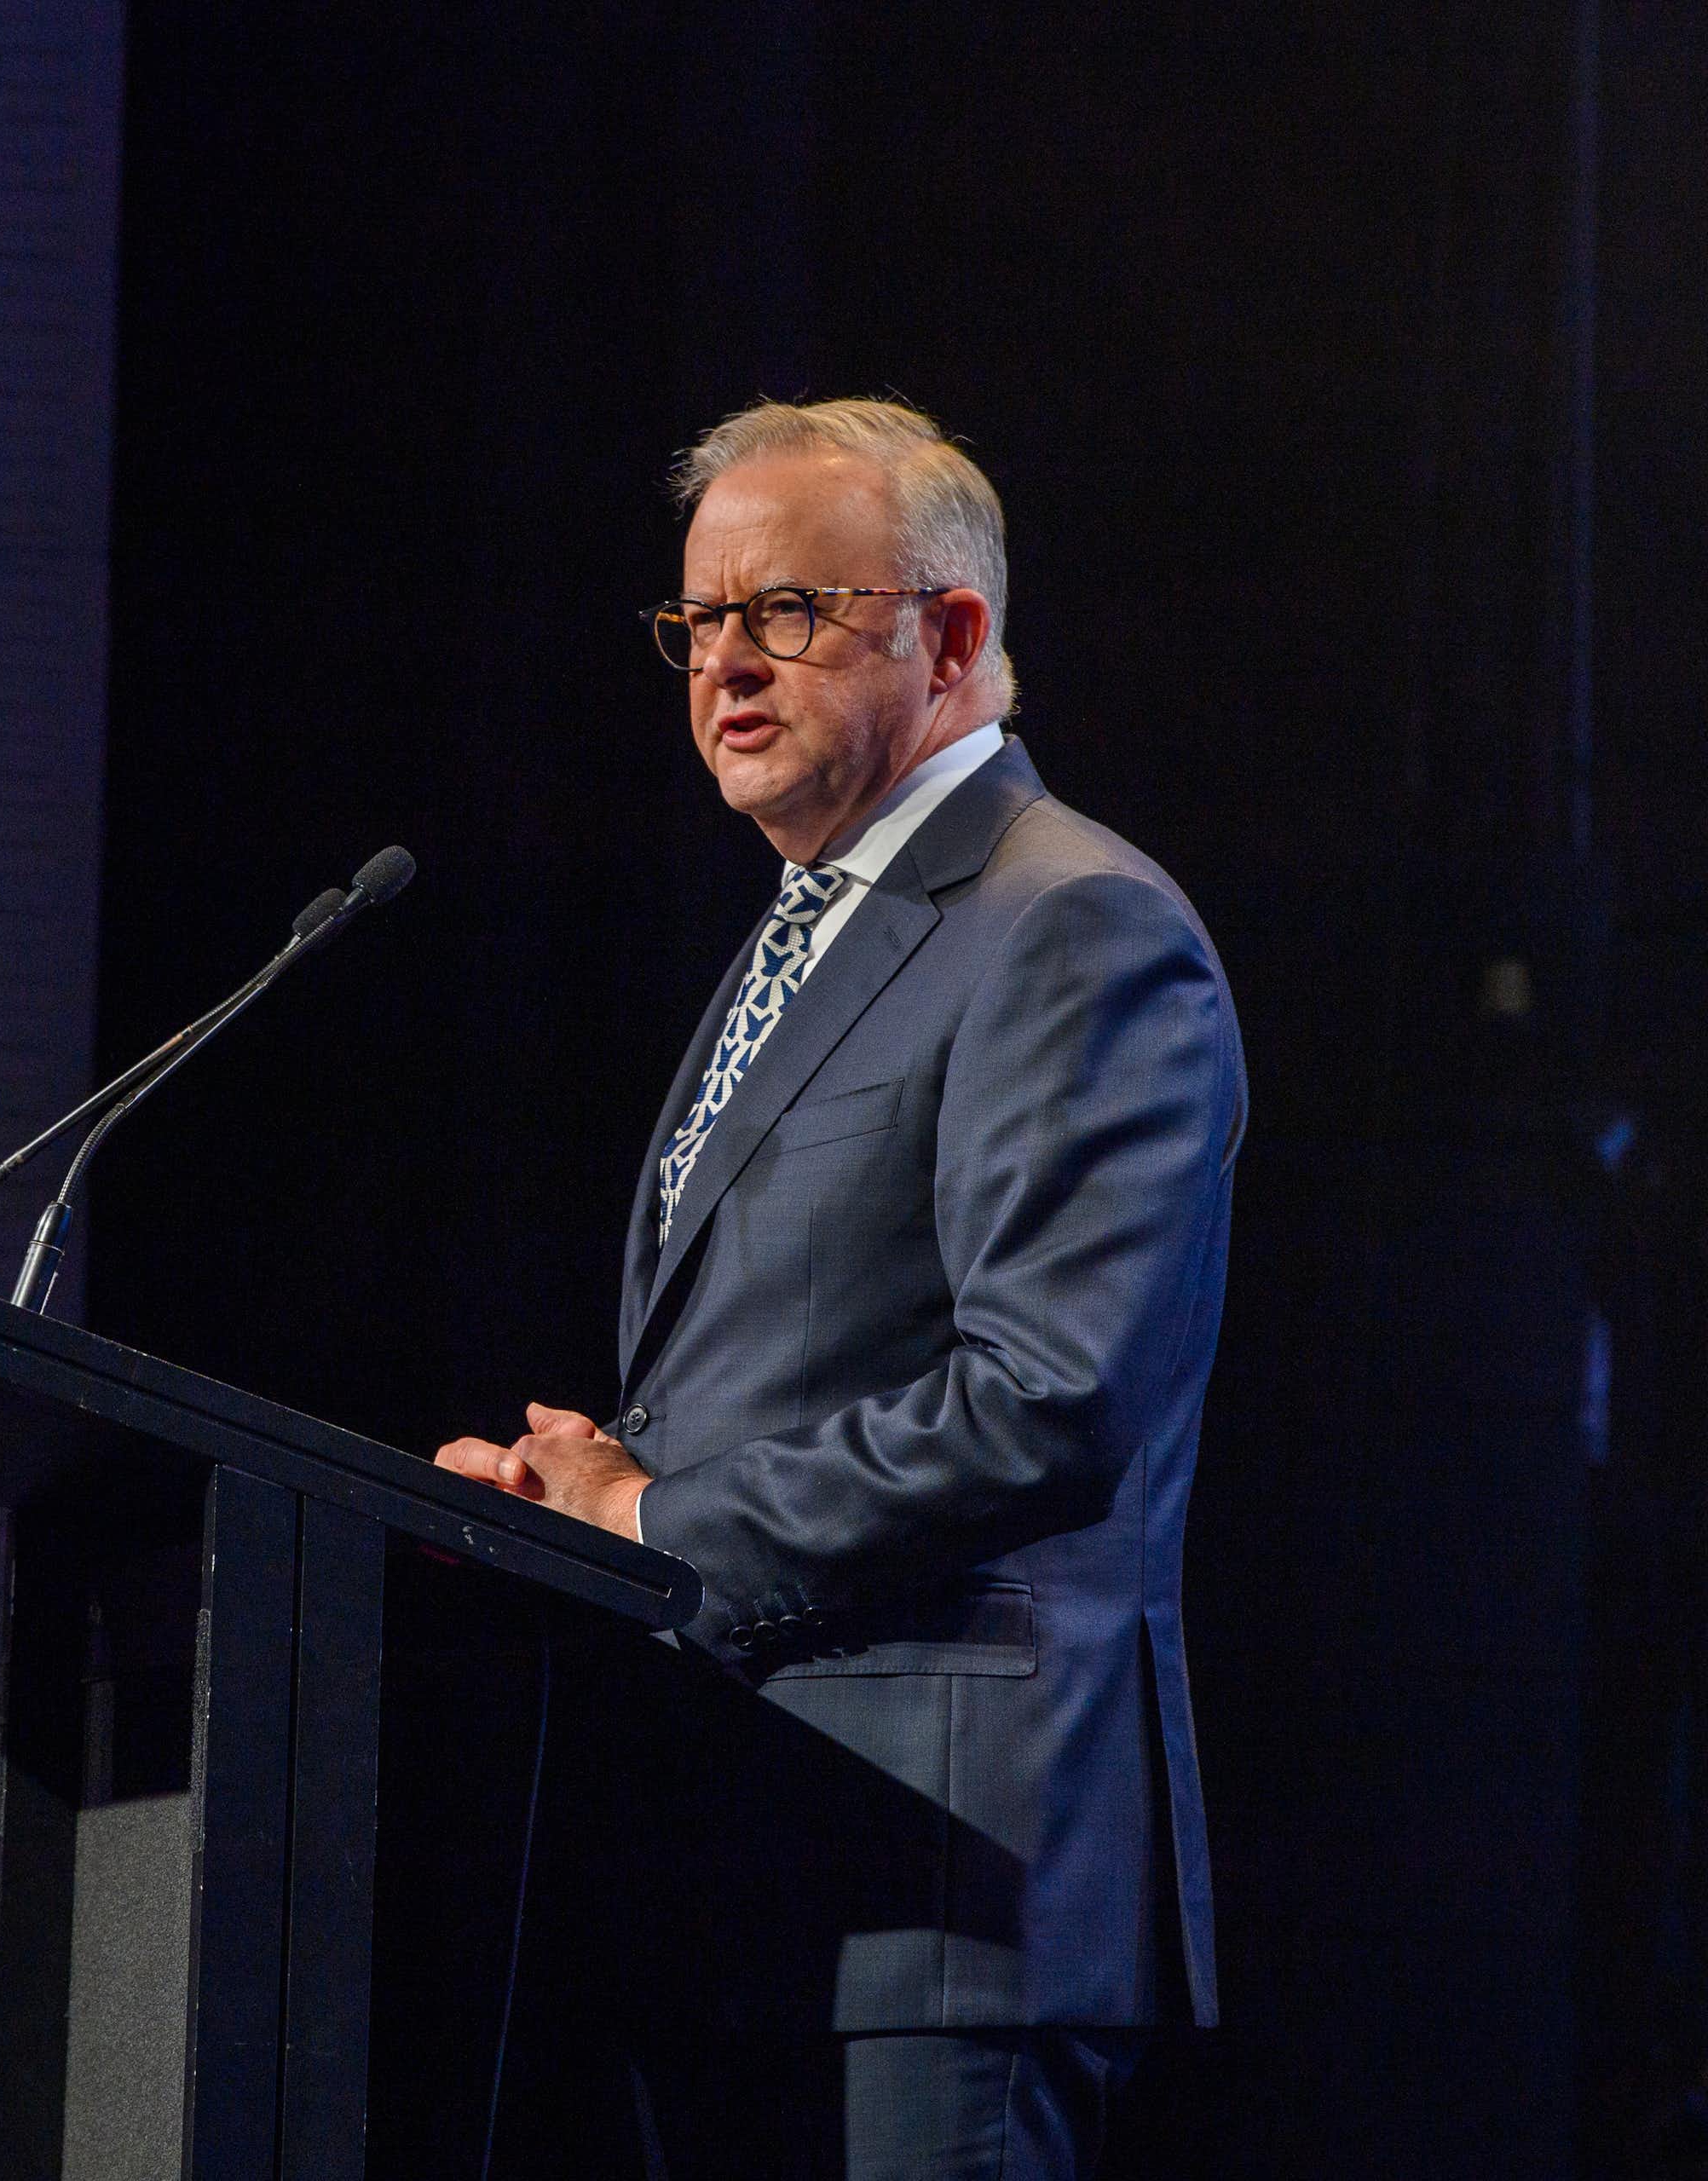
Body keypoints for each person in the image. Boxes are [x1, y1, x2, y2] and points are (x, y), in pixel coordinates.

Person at [436, 398, 1246, 2181]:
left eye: (783, 611)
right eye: (694, 623)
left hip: (950, 1888)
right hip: (757, 1872)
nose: (722, 665)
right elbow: (780, 1366)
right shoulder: (804, 931)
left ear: (950, 634)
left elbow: (1049, 1399)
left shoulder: (1068, 924)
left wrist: (659, 1511)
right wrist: (577, 1494)